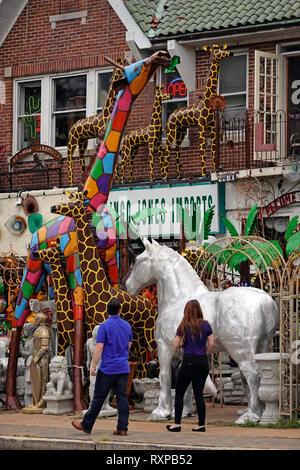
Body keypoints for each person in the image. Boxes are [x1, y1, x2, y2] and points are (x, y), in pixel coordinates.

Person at [72, 298, 132, 435]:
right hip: (123, 367)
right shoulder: (127, 326)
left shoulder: (104, 326)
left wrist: (93, 366)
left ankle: (86, 424)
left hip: (108, 368)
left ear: (107, 311)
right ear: (120, 310)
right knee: (122, 398)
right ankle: (122, 428)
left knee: (98, 398)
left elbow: (99, 347)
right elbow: (128, 345)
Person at [166, 299, 214, 433]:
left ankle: (177, 424)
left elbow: (175, 344)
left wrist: (182, 346)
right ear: (199, 309)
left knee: (180, 392)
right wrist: (204, 352)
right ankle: (201, 424)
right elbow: (211, 343)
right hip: (202, 362)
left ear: (186, 311)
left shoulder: (183, 325)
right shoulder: (206, 324)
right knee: (198, 394)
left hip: (188, 362)